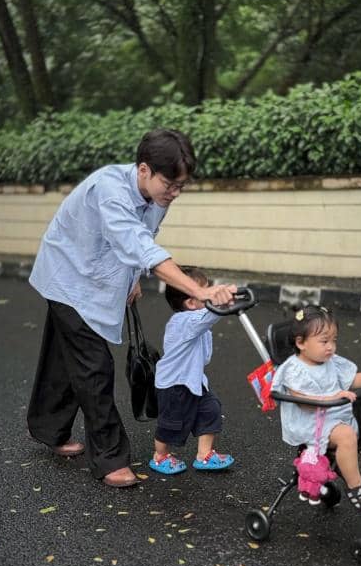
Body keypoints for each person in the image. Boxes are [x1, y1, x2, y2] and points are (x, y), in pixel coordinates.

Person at [27, 128, 237, 488]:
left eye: (181, 186)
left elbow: (142, 241)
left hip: (94, 275)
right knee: (94, 365)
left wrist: (134, 276)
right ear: (143, 170)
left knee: (63, 359)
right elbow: (136, 241)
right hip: (67, 277)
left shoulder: (156, 198)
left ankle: (50, 429)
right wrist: (197, 292)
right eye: (169, 183)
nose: (174, 193)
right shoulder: (110, 190)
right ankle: (110, 458)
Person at [271, 305, 361, 513]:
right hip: (312, 423)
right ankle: (356, 487)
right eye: (324, 341)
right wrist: (332, 397)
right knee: (347, 436)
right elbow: (302, 400)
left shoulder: (329, 361)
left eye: (334, 340)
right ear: (300, 343)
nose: (331, 347)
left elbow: (351, 380)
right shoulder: (294, 370)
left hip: (339, 414)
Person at [149, 266, 234, 475]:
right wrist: (219, 302)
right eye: (205, 291)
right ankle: (160, 456)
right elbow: (206, 317)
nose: (211, 293)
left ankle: (204, 454)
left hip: (194, 381)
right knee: (172, 423)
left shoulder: (196, 321)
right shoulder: (183, 322)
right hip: (175, 384)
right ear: (191, 302)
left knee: (210, 410)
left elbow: (205, 345)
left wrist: (230, 300)